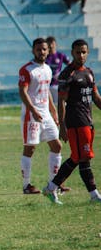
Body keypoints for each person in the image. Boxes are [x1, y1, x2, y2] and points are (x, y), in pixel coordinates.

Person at [43, 39, 101, 204]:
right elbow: (61, 102)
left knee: (80, 157)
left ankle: (53, 187)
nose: (81, 55)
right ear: (72, 53)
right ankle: (92, 194)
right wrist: (62, 126)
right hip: (75, 122)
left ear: (87, 53)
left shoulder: (89, 72)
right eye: (78, 52)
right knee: (81, 157)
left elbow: (95, 97)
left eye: (83, 52)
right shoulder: (67, 75)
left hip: (88, 121)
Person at [19, 37, 65, 197]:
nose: (42, 52)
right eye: (38, 49)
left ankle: (54, 184)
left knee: (57, 146)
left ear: (48, 51)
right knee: (30, 149)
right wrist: (32, 110)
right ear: (33, 51)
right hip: (31, 116)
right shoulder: (27, 70)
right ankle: (26, 186)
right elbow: (22, 92)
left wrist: (53, 111)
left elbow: (47, 92)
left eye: (44, 49)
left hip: (45, 115)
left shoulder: (47, 69)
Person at [45, 36, 71, 104]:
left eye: (52, 44)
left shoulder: (60, 55)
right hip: (47, 85)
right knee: (48, 105)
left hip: (57, 85)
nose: (51, 46)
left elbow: (71, 65)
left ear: (55, 44)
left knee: (61, 104)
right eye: (49, 44)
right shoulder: (44, 57)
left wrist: (64, 74)